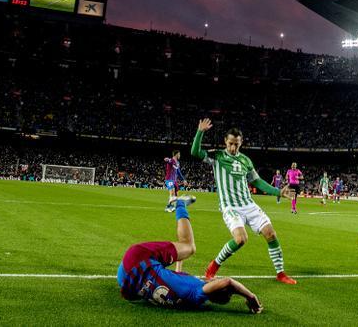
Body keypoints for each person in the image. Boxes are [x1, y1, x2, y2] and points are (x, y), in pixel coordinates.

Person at [117, 195, 263, 314]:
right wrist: (178, 258)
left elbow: (228, 282)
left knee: (189, 246)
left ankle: (179, 203)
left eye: (217, 281)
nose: (217, 279)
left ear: (215, 287)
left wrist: (250, 297)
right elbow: (174, 278)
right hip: (125, 280)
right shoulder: (190, 298)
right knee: (155, 278)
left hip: (138, 259)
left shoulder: (199, 292)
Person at [191, 119, 295, 284]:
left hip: (249, 204)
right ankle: (214, 266)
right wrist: (200, 132)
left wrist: (278, 192)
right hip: (230, 206)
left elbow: (257, 181)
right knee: (241, 239)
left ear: (241, 143)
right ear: (225, 141)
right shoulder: (217, 156)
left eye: (236, 145)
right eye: (231, 143)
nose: (233, 148)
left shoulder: (246, 160)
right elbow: (195, 152)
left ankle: (281, 273)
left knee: (271, 233)